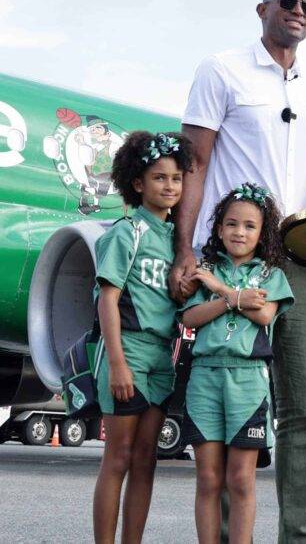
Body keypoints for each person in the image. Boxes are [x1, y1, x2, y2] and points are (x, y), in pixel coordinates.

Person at [170, 0, 306, 543]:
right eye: (286, 2)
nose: (297, 12)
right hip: (232, 258)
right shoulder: (221, 70)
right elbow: (195, 162)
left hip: (298, 258)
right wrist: (185, 249)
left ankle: (297, 535)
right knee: (222, 403)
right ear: (262, 10)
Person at [91, 131, 194, 543]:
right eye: (159, 178)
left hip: (160, 359)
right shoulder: (126, 232)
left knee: (147, 459)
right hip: (128, 350)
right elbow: (107, 301)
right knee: (118, 457)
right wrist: (116, 363)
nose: (169, 186)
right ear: (138, 183)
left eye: (176, 179)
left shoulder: (180, 242)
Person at [179, 183, 294, 544]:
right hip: (204, 378)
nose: (239, 232)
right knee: (209, 478)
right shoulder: (205, 270)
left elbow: (264, 315)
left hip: (247, 382)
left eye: (249, 226)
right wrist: (233, 298)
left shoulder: (272, 274)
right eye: (231, 224)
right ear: (218, 228)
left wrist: (222, 290)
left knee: (241, 479)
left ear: (262, 234)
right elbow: (191, 318)